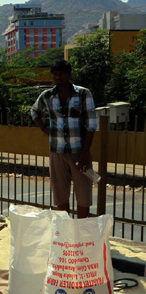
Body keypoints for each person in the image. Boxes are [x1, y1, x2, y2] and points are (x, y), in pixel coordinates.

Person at [31, 59, 97, 219]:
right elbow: (34, 112)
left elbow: (91, 125)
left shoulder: (83, 94)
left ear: (69, 74)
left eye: (61, 74)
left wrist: (84, 154)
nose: (58, 77)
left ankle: (80, 231)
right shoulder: (47, 95)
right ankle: (65, 232)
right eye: (55, 75)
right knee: (60, 194)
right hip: (57, 152)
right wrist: (44, 128)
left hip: (79, 152)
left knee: (83, 194)